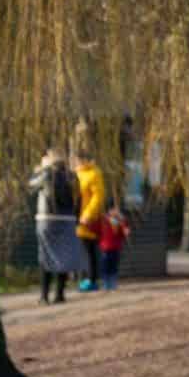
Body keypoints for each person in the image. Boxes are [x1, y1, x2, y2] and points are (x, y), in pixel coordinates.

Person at [27, 143, 85, 304]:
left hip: (47, 219)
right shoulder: (73, 176)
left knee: (45, 255)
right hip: (68, 220)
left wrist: (40, 169)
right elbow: (79, 199)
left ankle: (44, 296)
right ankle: (60, 294)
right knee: (63, 256)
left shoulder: (45, 173)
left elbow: (30, 186)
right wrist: (77, 218)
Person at [73, 123, 112, 292]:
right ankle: (86, 278)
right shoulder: (78, 173)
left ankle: (92, 279)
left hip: (87, 218)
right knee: (83, 250)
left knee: (89, 250)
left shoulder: (94, 174)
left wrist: (89, 213)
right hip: (77, 218)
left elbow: (98, 196)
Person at [96, 203, 131, 292]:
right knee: (105, 266)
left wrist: (124, 227)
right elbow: (97, 230)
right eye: (114, 209)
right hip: (105, 247)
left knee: (114, 266)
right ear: (110, 210)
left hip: (116, 247)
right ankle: (106, 284)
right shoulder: (104, 219)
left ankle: (113, 284)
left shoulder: (120, 221)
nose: (116, 211)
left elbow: (124, 231)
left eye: (117, 210)